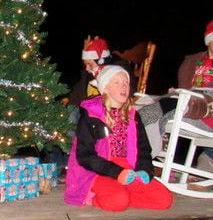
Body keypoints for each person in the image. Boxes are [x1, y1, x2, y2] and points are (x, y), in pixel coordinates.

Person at [64, 65, 173, 211]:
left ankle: (121, 193)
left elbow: (143, 149)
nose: (123, 86)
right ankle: (93, 197)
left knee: (163, 199)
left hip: (128, 169)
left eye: (126, 82)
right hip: (98, 172)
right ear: (105, 88)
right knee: (117, 202)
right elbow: (85, 156)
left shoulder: (133, 116)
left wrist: (144, 170)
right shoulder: (91, 116)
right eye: (117, 82)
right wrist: (116, 172)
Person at [139, 21, 213, 157]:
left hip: (212, 116)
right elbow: (185, 86)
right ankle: (146, 153)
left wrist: (192, 95)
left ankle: (148, 154)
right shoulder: (195, 61)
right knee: (145, 106)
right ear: (209, 40)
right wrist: (180, 93)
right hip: (187, 106)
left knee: (162, 106)